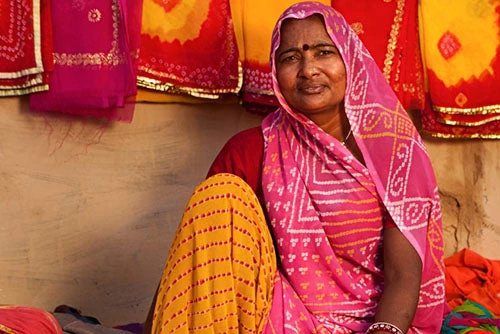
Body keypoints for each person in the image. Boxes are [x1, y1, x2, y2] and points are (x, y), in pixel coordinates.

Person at [143, 2, 447, 333]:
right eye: (291, 58)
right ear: (276, 72)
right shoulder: (252, 149)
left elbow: (404, 274)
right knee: (219, 196)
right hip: (281, 316)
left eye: (323, 52)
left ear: (350, 59)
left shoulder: (392, 149)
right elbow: (199, 252)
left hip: (378, 322)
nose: (308, 69)